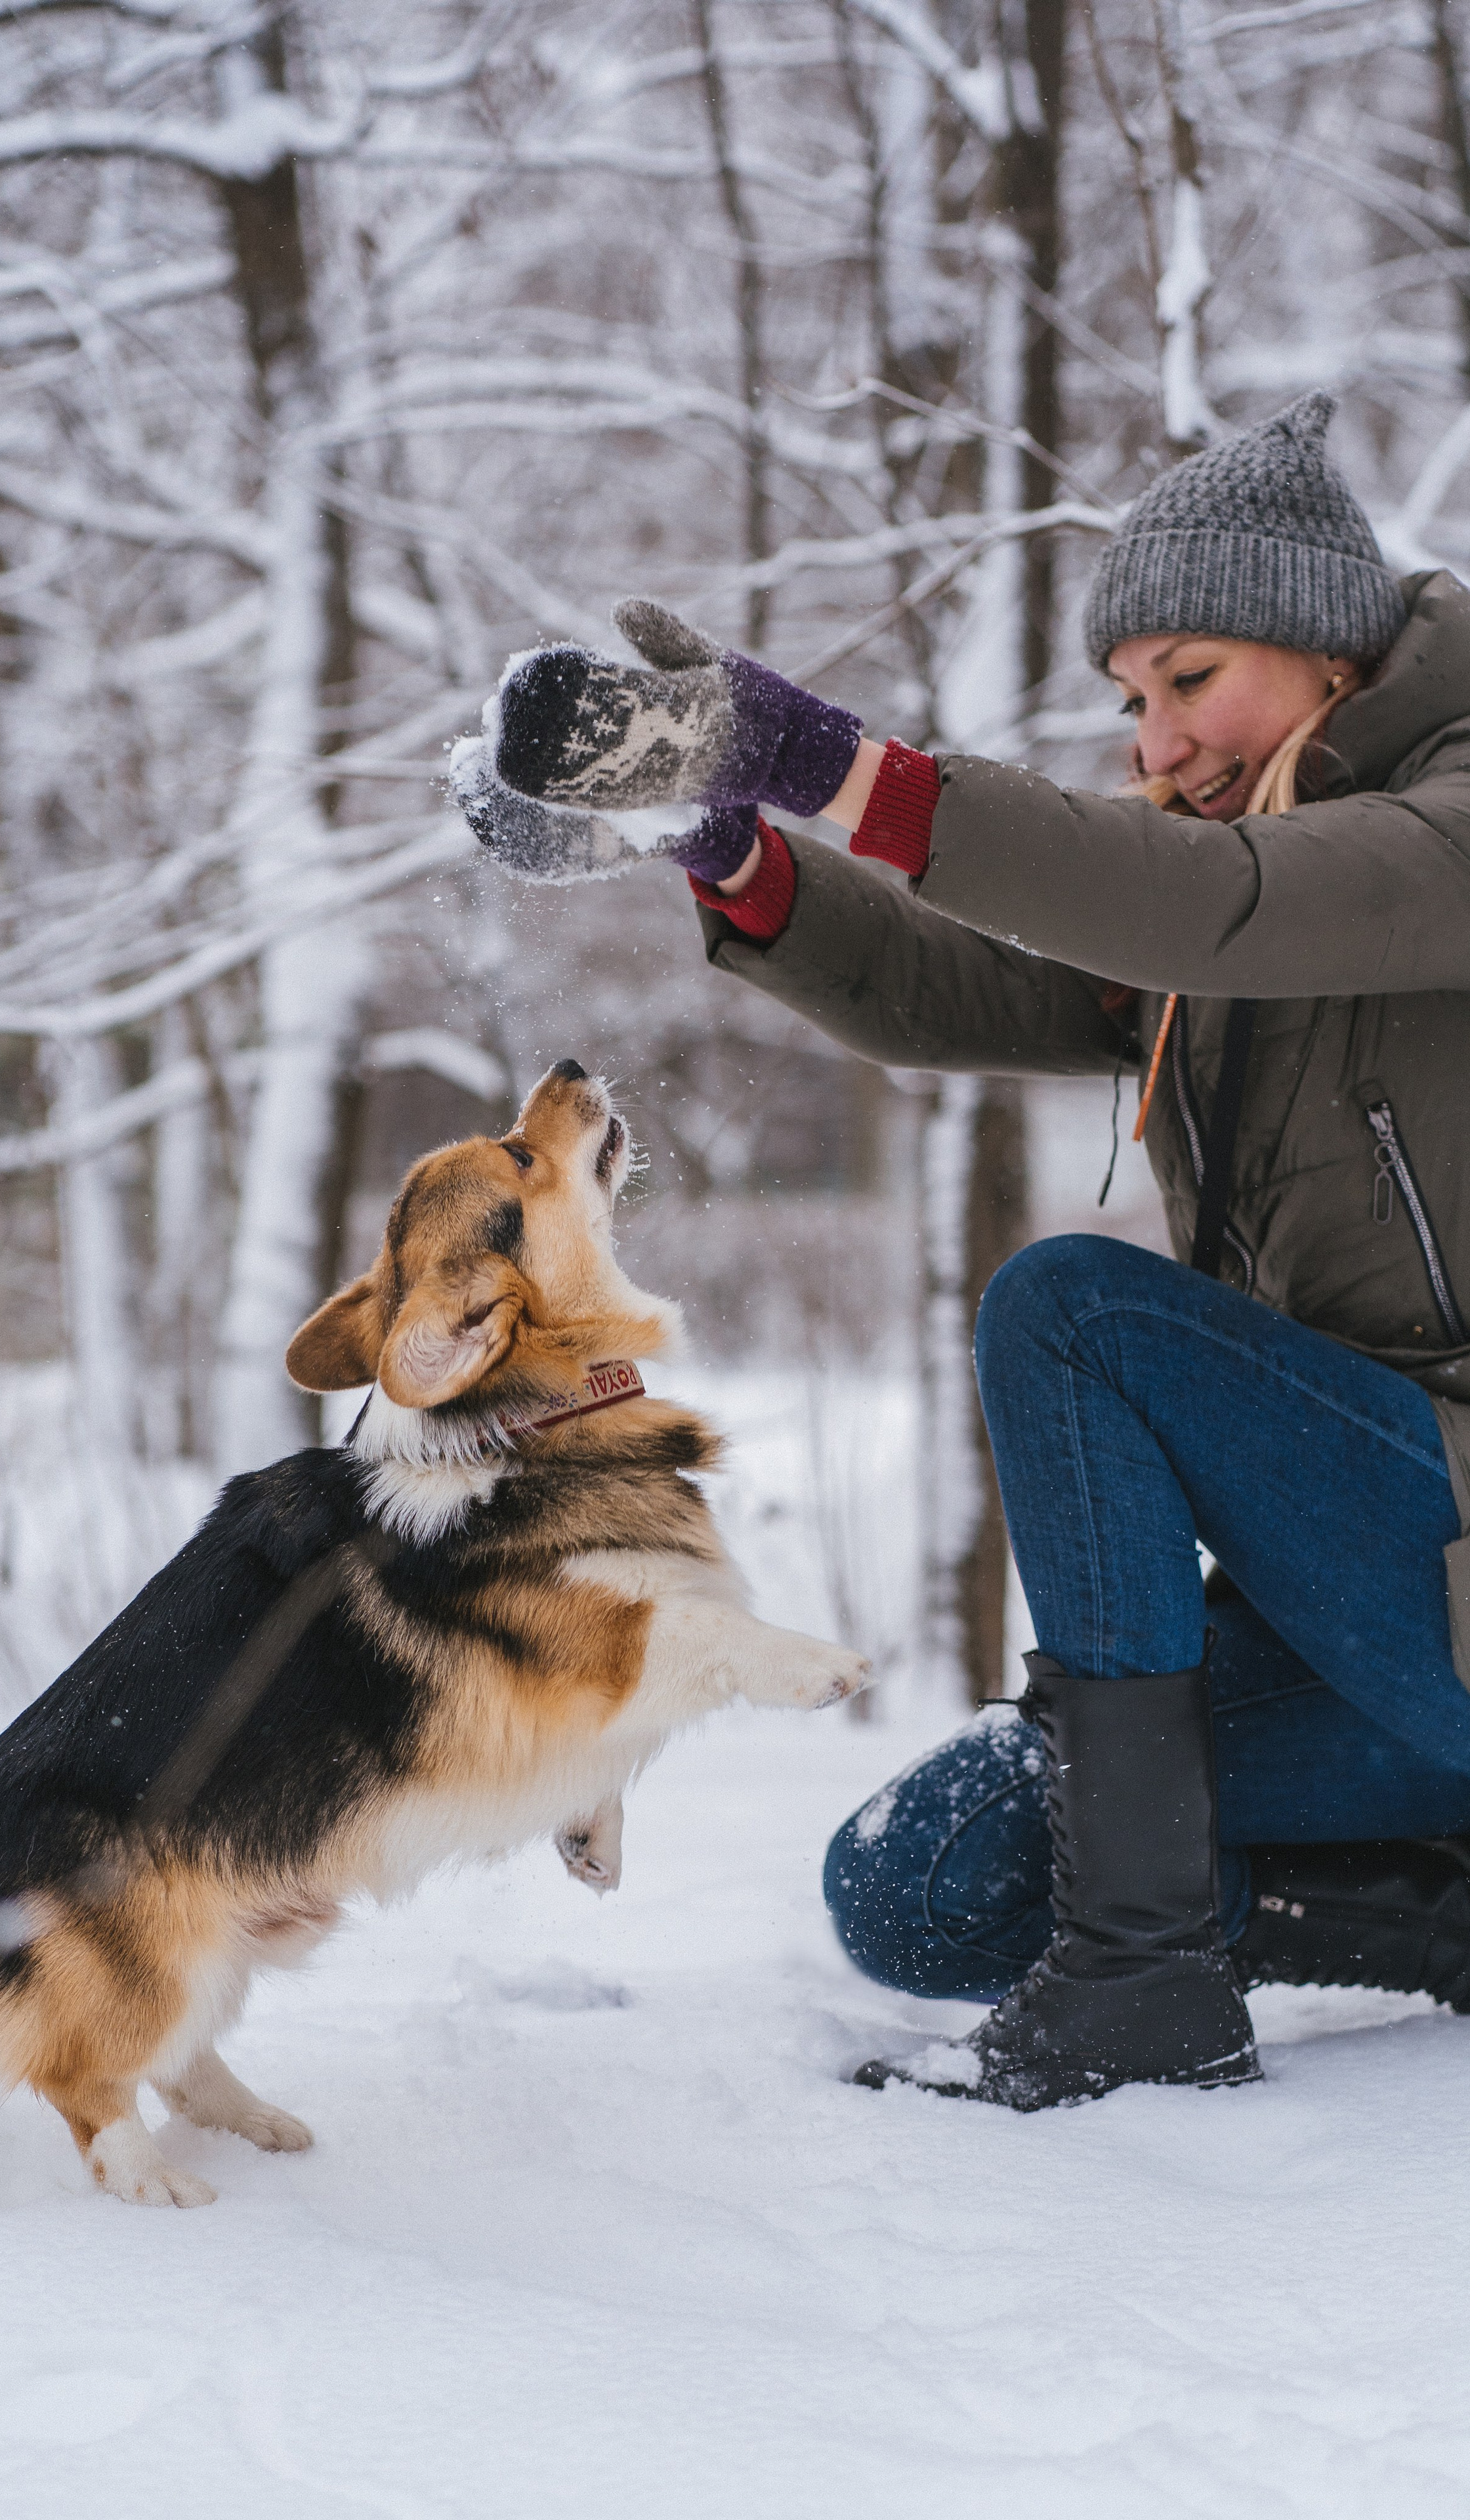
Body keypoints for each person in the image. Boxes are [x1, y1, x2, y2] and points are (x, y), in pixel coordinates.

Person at [453, 392, 1470, 2110]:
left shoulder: (1431, 833)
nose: (1152, 742)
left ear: (1335, 660)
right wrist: (713, 824)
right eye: (1131, 701)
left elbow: (1218, 911)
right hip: (1361, 1597)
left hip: (1437, 1557)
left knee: (1070, 1310)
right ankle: (1424, 1917)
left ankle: (1142, 1985)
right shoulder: (1234, 849)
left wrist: (841, 763)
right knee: (924, 1886)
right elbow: (953, 981)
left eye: (1190, 679)